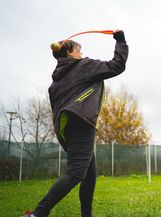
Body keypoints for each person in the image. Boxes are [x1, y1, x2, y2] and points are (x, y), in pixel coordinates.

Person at [22, 30, 128, 217]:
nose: (81, 53)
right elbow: (116, 66)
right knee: (76, 173)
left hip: (66, 128)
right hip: (82, 123)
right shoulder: (83, 66)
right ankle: (38, 214)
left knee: (89, 175)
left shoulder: (55, 82)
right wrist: (120, 40)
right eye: (79, 50)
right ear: (70, 52)